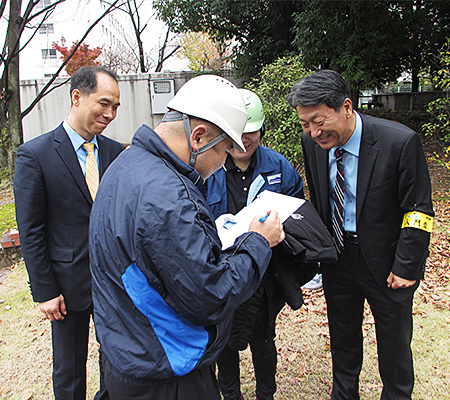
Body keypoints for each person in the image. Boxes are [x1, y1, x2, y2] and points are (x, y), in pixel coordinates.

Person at [88, 75, 285, 400]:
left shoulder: (125, 164)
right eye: (224, 150)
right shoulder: (168, 196)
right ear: (198, 137)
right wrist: (258, 242)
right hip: (166, 372)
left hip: (127, 352)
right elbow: (211, 297)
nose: (224, 161)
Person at [287, 70, 434, 399]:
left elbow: (419, 210)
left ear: (347, 107)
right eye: (305, 124)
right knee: (343, 339)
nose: (313, 132)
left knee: (394, 346)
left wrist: (407, 265)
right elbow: (321, 199)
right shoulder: (313, 145)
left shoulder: (399, 142)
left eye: (318, 120)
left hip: (387, 264)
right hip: (337, 258)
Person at [14, 65, 123, 400]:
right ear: (77, 96)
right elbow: (31, 230)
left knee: (117, 364)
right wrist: (44, 290)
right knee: (69, 371)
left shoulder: (116, 153)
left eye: (116, 107)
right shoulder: (36, 155)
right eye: (104, 103)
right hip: (65, 286)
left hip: (113, 283)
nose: (110, 114)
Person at [204, 89, 304, 400]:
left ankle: (266, 394)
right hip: (222, 270)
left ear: (262, 130)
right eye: (237, 134)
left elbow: (297, 209)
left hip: (263, 269)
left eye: (252, 133)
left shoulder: (277, 165)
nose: (244, 142)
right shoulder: (208, 167)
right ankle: (231, 394)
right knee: (224, 338)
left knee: (263, 337)